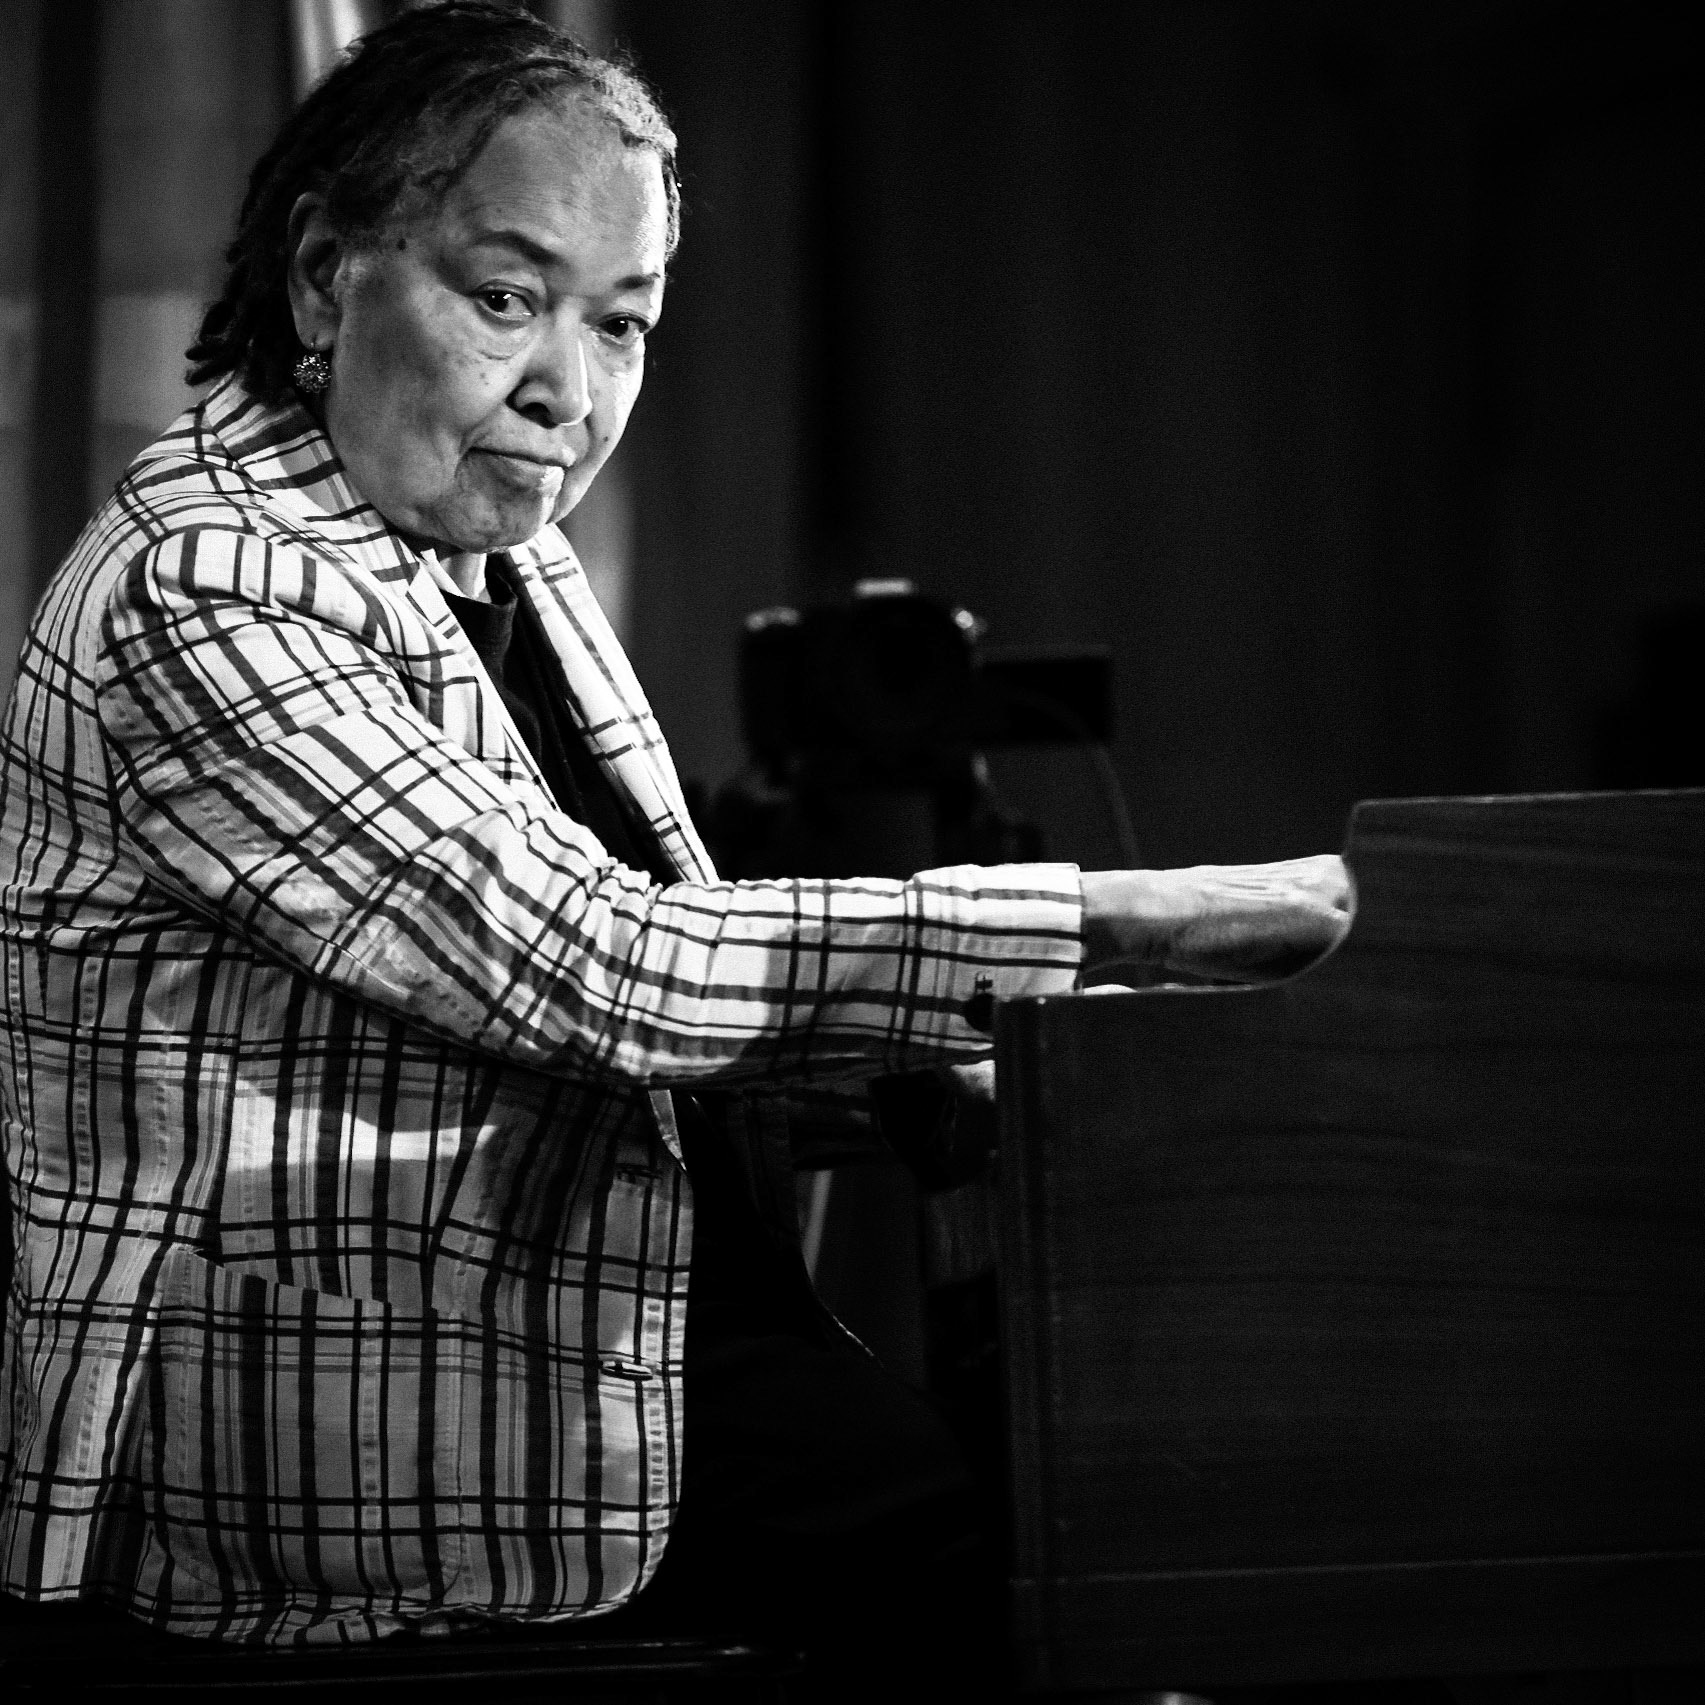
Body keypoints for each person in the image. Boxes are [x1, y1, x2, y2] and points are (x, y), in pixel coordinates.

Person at [0, 0, 1347, 1686]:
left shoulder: (492, 548)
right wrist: (1130, 918)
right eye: (506, 300)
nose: (566, 391)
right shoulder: (206, 582)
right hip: (338, 1423)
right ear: (326, 278)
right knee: (1100, 1579)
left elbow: (655, 944)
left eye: (621, 324)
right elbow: (598, 961)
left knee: (1214, 1504)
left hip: (594, 1327)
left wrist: (983, 1066)